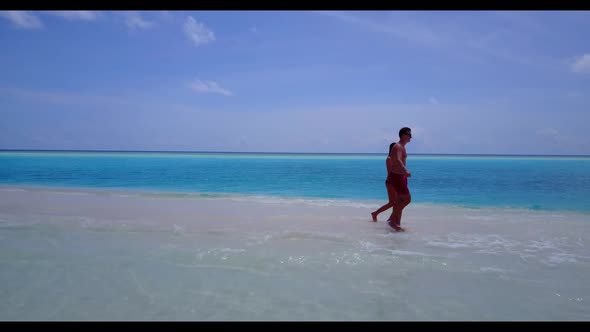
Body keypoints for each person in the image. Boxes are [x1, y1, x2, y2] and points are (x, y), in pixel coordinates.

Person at [386, 127, 412, 232]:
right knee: (406, 199)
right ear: (403, 135)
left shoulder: (402, 147)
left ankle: (396, 223)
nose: (411, 137)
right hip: (397, 176)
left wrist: (404, 174)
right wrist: (405, 170)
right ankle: (392, 220)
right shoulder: (397, 146)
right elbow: (397, 160)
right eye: (409, 135)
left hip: (401, 176)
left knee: (400, 200)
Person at [370, 142, 398, 223]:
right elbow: (390, 172)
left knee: (396, 203)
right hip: (391, 182)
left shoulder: (395, 158)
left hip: (395, 182)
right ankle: (375, 213)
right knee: (392, 203)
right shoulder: (389, 158)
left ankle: (391, 219)